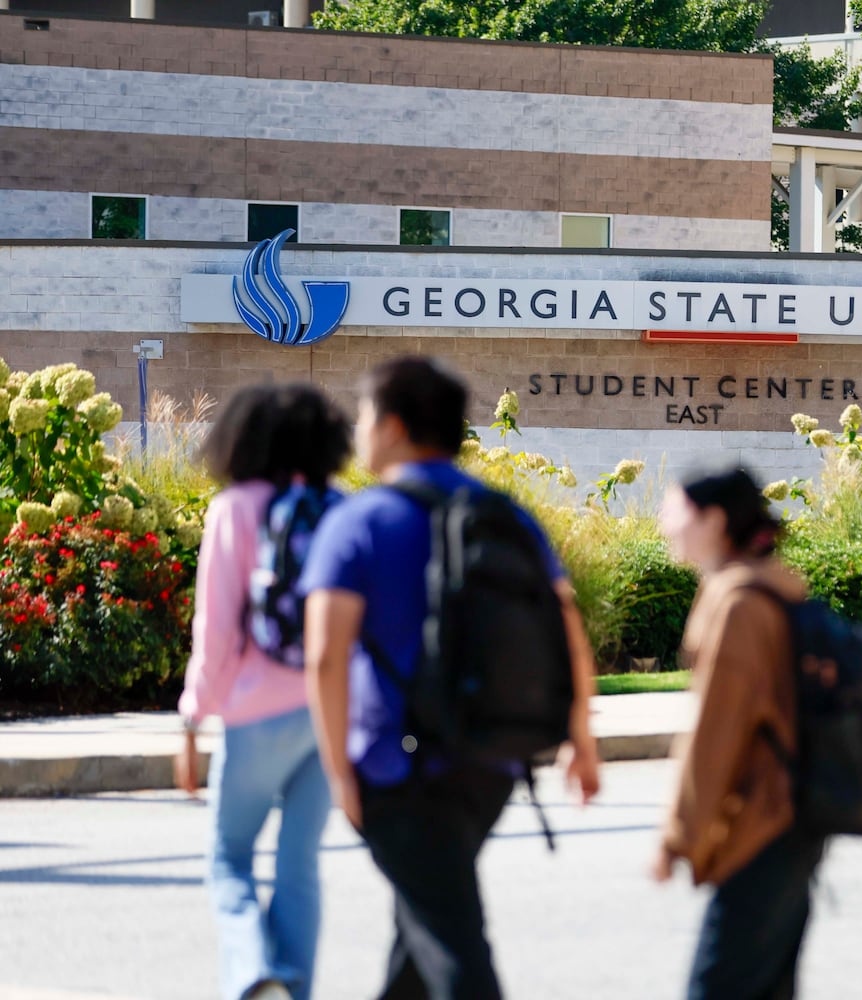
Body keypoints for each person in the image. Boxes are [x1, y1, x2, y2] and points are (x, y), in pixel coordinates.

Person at [298, 355, 601, 999]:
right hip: (490, 758)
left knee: (451, 940)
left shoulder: (357, 521)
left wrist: (336, 771)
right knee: (426, 922)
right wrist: (581, 735)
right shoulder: (505, 514)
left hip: (395, 768)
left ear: (395, 426)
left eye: (366, 412)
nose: (359, 426)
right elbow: (566, 623)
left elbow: (325, 655)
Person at [175, 383, 352, 1000]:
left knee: (229, 858)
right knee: (299, 866)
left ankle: (252, 974)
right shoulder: (338, 504)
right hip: (331, 711)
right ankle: (293, 989)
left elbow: (217, 630)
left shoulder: (235, 507)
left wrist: (194, 716)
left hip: (257, 713)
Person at [653, 467, 825, 1000]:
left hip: (760, 823)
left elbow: (714, 736)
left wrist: (678, 837)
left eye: (674, 510)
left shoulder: (737, 605)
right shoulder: (773, 588)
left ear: (714, 521)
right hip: (796, 813)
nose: (663, 524)